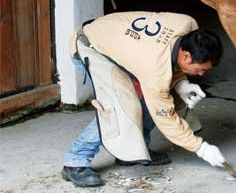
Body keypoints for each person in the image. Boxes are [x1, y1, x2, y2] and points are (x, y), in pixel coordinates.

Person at [61, 11, 225, 187]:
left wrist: (180, 83)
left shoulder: (189, 25)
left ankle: (133, 152)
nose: (201, 74)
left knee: (149, 97)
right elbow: (166, 119)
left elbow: (168, 55)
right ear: (186, 56)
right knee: (118, 108)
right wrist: (200, 148)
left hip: (120, 43)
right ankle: (75, 162)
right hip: (89, 45)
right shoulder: (154, 70)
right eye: (201, 69)